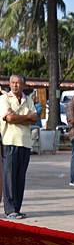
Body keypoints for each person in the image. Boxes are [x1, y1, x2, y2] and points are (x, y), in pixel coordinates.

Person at [0, 75, 37, 219]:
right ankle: (10, 210)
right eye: (13, 83)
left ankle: (17, 208)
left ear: (24, 85)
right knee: (9, 177)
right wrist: (25, 118)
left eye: (18, 83)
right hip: (10, 141)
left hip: (25, 143)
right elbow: (9, 118)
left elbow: (35, 118)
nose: (15, 85)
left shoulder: (28, 99)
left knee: (20, 177)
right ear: (9, 84)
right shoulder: (4, 99)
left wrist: (18, 118)